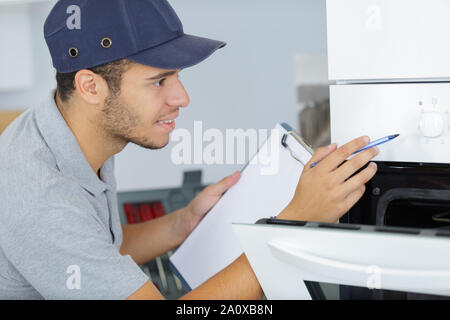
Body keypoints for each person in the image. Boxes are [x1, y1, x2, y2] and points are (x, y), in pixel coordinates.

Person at [0, 0, 379, 300]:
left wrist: (184, 222)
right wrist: (290, 227)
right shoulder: (41, 196)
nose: (181, 97)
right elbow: (61, 229)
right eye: (159, 80)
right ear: (91, 87)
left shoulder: (63, 129)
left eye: (177, 77)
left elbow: (95, 246)